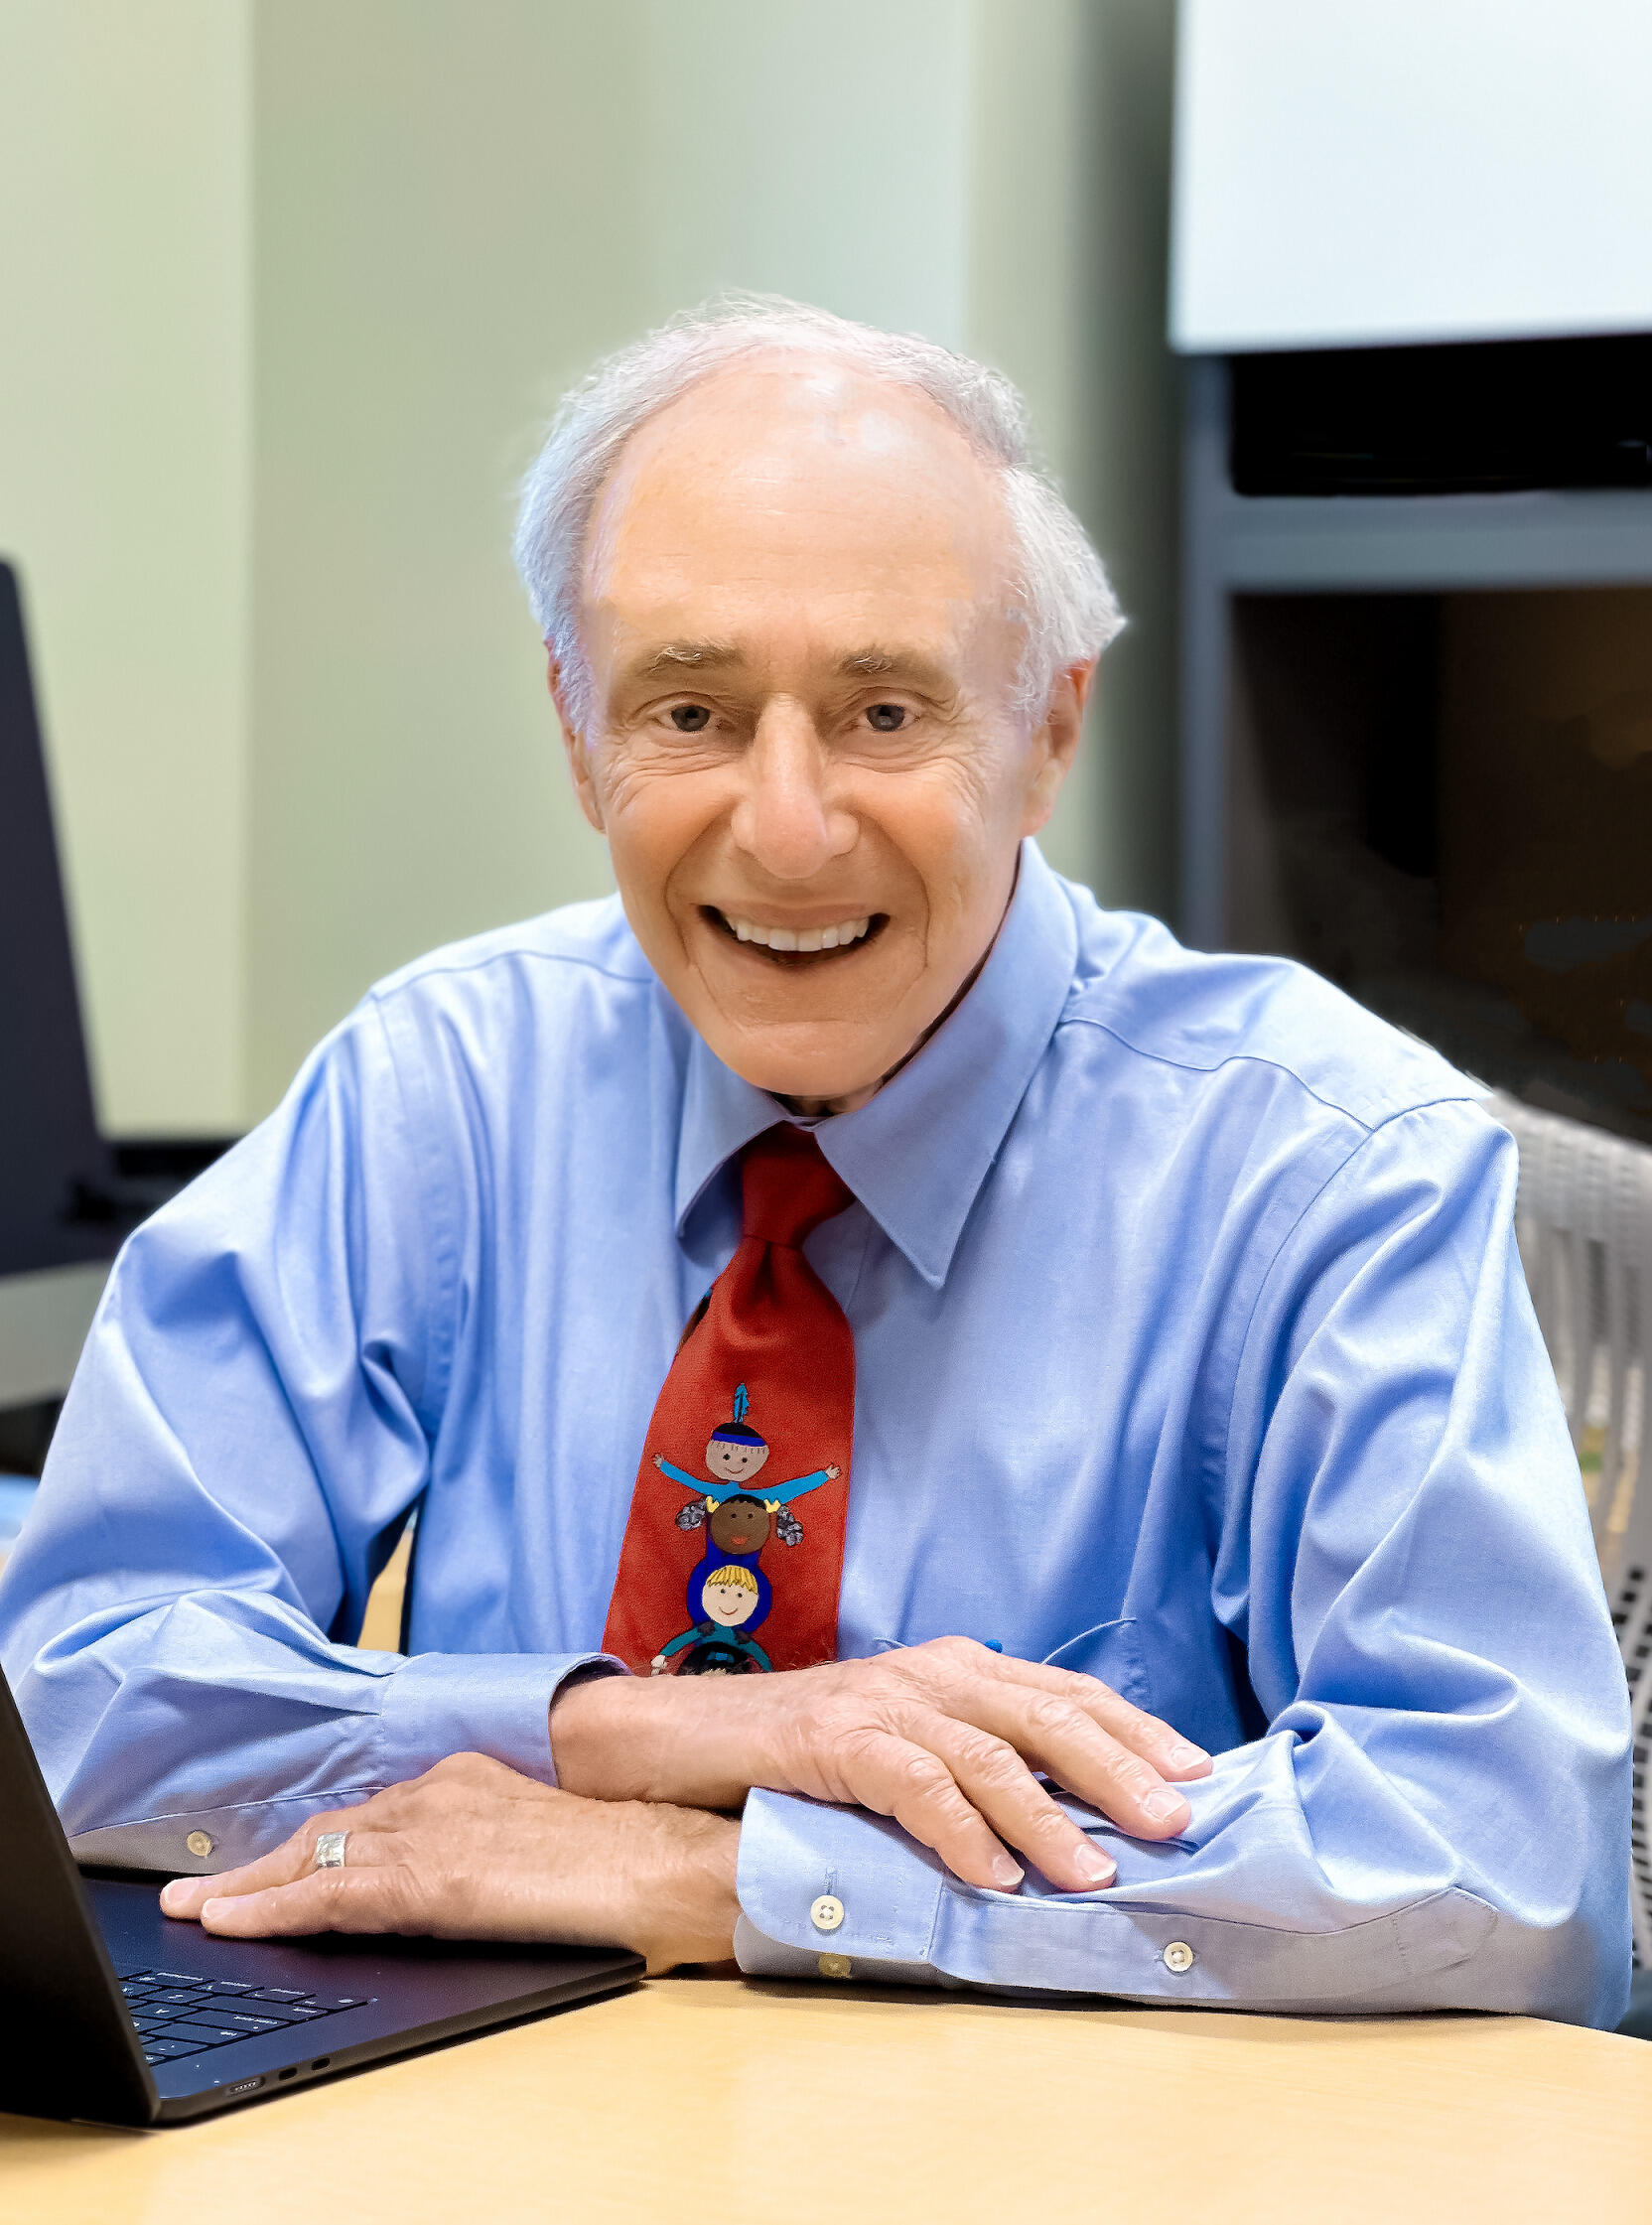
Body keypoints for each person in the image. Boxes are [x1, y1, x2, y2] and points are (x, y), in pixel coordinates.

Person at [0, 299, 1630, 2022]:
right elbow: (67, 1697)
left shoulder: (1329, 1167)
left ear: (1051, 727)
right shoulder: (446, 1089)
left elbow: (1508, 1874)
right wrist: (640, 1730)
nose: (784, 830)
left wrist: (725, 1873)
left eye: (882, 713)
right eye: (689, 712)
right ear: (575, 728)